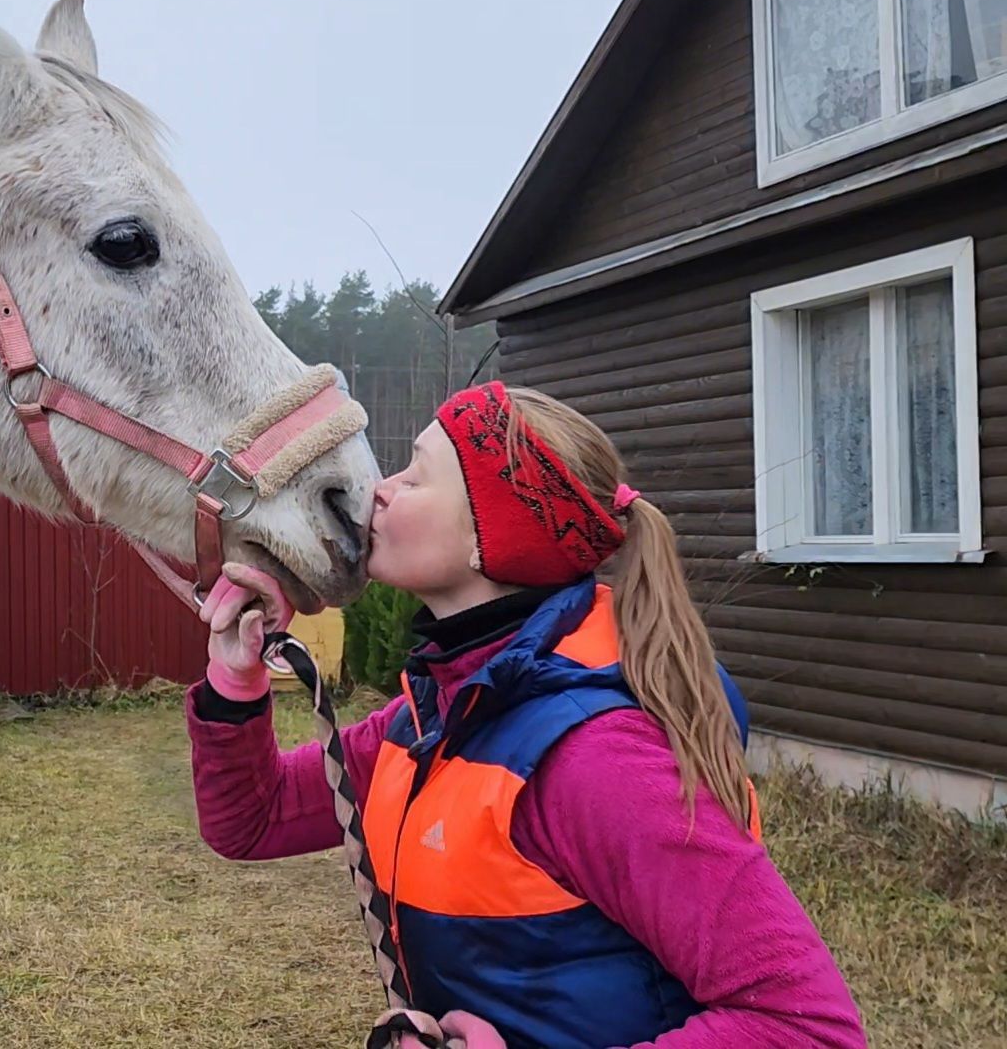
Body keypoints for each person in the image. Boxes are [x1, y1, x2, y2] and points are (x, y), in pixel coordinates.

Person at [185, 381, 867, 1048]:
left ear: (494, 536)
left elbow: (807, 1025)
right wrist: (235, 678)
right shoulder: (431, 721)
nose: (381, 489)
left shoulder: (594, 759)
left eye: (416, 477)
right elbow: (255, 819)